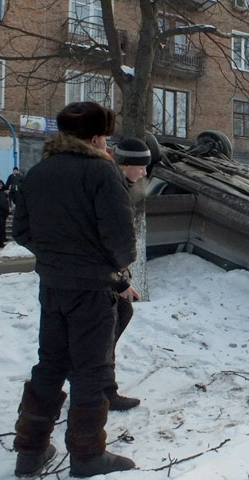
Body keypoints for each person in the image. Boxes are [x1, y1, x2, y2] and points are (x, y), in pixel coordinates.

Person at [11, 102, 137, 478]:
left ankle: (30, 453)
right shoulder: (102, 172)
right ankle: (87, 455)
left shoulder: (38, 172)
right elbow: (122, 242)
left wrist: (55, 258)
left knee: (49, 365)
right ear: (96, 137)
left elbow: (21, 231)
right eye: (106, 138)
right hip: (92, 290)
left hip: (52, 287)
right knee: (90, 372)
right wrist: (110, 266)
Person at [103, 138, 152, 412]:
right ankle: (102, 393)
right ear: (126, 165)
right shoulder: (113, 190)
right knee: (105, 330)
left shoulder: (117, 185)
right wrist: (119, 281)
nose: (144, 173)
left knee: (121, 314)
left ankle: (101, 390)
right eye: (141, 167)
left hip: (96, 276)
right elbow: (113, 242)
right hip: (99, 278)